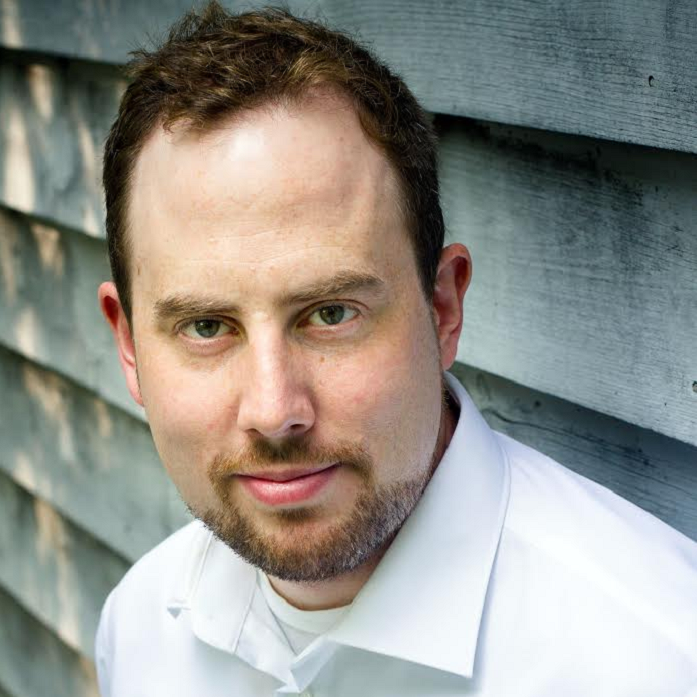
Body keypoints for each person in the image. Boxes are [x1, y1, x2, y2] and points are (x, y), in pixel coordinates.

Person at [95, 3, 697, 695]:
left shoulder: (658, 658)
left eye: (329, 313)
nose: (273, 409)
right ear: (130, 345)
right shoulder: (139, 630)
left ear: (443, 307)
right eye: (206, 326)